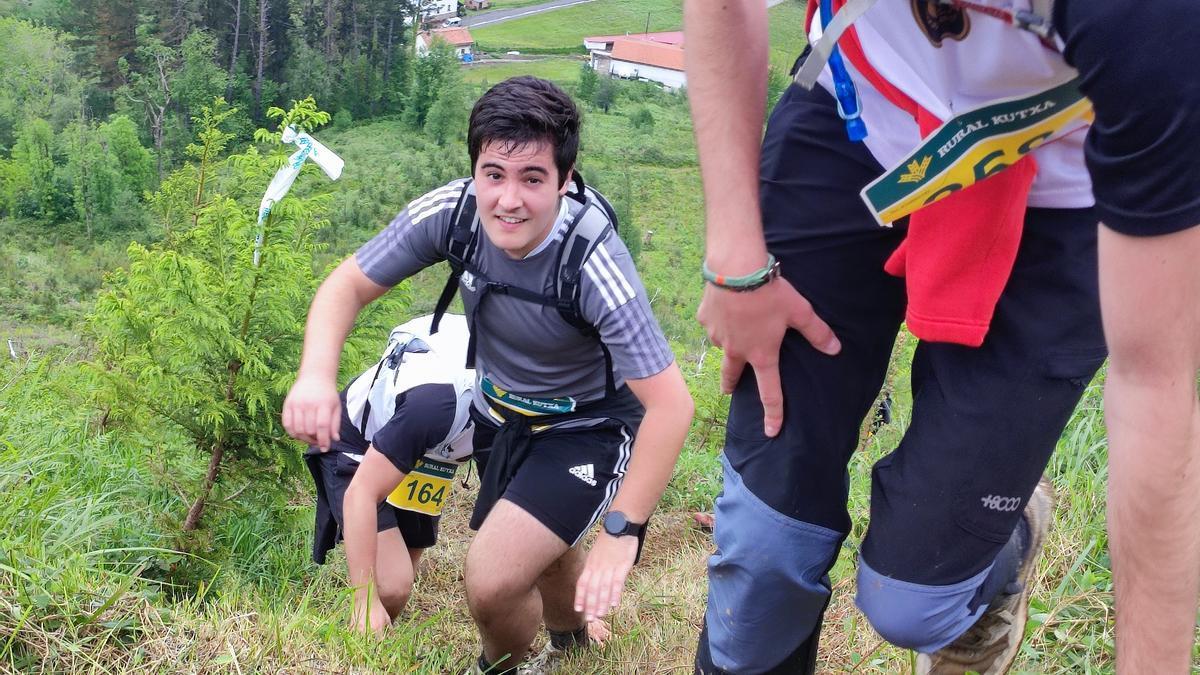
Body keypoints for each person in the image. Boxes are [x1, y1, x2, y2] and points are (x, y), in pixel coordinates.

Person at [683, 1, 1200, 673]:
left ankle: (1004, 540)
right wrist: (735, 254)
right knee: (761, 554)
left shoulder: (1156, 23)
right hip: (858, 114)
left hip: (1063, 190)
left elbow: (1154, 386)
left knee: (912, 601)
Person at [283, 76, 694, 674]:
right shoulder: (453, 215)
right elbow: (346, 284)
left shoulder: (592, 260)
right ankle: (572, 644)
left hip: (588, 425)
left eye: (533, 179)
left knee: (492, 581)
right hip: (500, 413)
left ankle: (500, 667)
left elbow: (672, 405)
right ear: (474, 169)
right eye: (493, 174)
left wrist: (622, 532)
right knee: (540, 545)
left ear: (565, 180)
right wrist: (317, 375)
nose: (508, 199)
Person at [303, 313, 475, 635]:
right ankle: (358, 633)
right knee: (393, 585)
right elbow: (361, 494)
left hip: (431, 455)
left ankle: (376, 632)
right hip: (358, 443)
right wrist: (364, 601)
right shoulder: (435, 404)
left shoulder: (530, 411)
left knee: (400, 580)